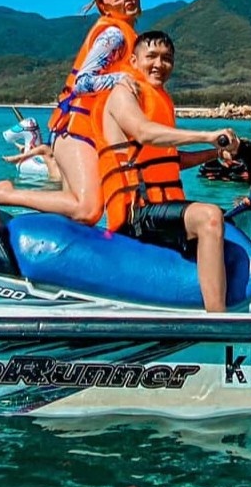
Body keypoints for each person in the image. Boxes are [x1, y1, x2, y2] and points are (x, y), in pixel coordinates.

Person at [0, 0, 142, 222]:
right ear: (104, 4)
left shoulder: (130, 37)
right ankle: (4, 193)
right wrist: (122, 79)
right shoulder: (114, 35)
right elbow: (83, 82)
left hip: (85, 131)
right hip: (77, 130)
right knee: (88, 209)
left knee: (75, 208)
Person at [95, 31, 240, 313]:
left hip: (161, 208)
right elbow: (143, 132)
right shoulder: (124, 93)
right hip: (137, 212)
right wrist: (206, 135)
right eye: (152, 57)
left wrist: (215, 153)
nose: (160, 64)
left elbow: (171, 161)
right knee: (210, 217)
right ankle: (219, 323)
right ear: (134, 60)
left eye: (167, 59)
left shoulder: (161, 99)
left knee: (236, 221)